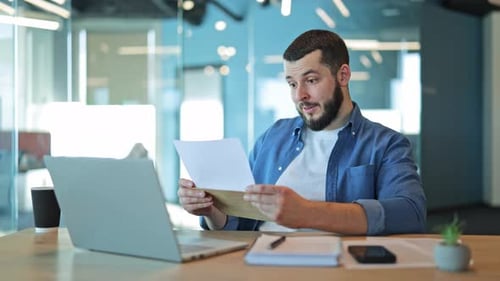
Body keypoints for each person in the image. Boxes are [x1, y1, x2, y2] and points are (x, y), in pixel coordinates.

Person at [177, 29, 426, 235]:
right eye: (292, 83)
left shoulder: (386, 144)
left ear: (343, 75)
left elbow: (411, 214)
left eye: (311, 80)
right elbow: (241, 223)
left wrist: (306, 212)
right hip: (257, 262)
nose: (300, 96)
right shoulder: (273, 137)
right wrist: (211, 210)